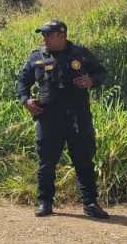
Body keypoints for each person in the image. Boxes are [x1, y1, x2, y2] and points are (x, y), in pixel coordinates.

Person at [17, 19, 110, 219]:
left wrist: (91, 80)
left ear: (62, 36)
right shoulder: (37, 57)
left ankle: (90, 203)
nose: (44, 39)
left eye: (48, 35)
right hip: (48, 118)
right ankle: (45, 202)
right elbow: (23, 81)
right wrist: (26, 100)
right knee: (46, 163)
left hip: (78, 117)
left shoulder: (80, 53)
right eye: (43, 35)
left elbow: (101, 72)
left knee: (84, 161)